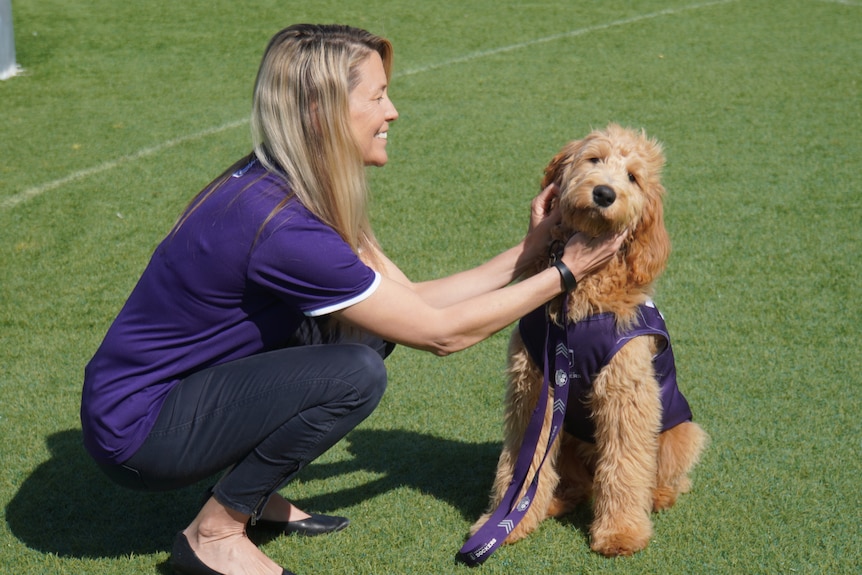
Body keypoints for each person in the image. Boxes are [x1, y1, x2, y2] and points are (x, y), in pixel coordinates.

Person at [80, 23, 625, 575]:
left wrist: (531, 251)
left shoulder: (288, 178)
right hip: (139, 431)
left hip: (167, 392)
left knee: (370, 329)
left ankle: (249, 491)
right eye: (377, 96)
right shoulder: (283, 228)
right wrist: (566, 271)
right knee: (354, 372)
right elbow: (442, 334)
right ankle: (215, 534)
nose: (392, 112)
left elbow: (408, 301)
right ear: (321, 112)